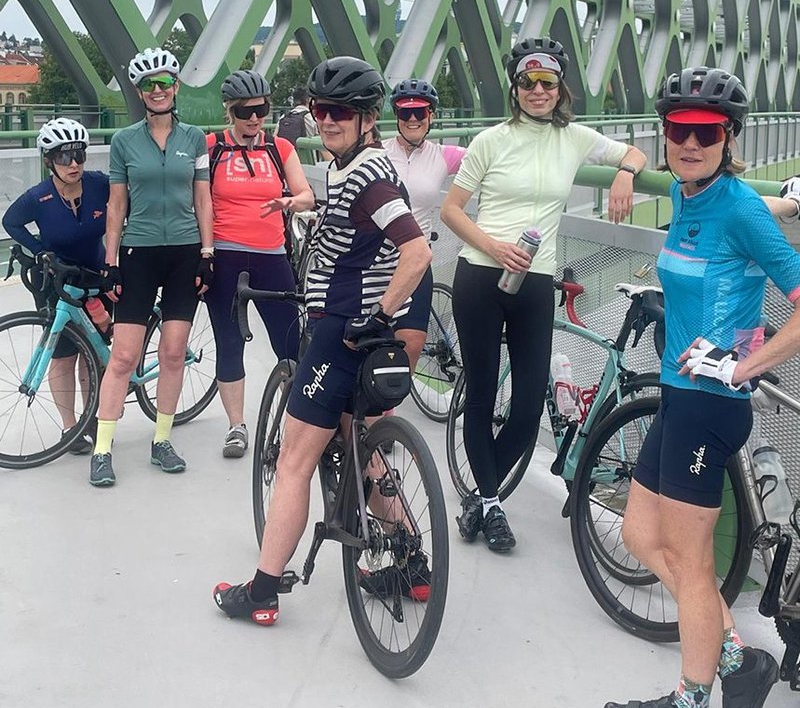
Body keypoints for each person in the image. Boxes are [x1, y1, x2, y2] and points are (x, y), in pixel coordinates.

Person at [603, 67, 800, 708]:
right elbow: (728, 232)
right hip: (677, 394)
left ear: (729, 137)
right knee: (636, 535)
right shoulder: (691, 197)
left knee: (690, 565)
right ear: (664, 137)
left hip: (712, 405)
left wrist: (748, 366)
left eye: (705, 132)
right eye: (678, 130)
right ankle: (742, 664)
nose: (689, 141)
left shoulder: (738, 205)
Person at [213, 56, 431, 626]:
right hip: (355, 332)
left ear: (366, 117)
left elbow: (417, 251)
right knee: (362, 442)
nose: (325, 119)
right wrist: (300, 203)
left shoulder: (368, 175)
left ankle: (262, 590)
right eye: (318, 109)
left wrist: (375, 315)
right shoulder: (354, 165)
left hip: (341, 334)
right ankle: (412, 560)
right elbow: (354, 218)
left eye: (339, 111)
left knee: (293, 460)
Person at [440, 37, 647, 552]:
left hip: (537, 279)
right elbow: (452, 210)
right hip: (481, 274)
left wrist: (625, 173)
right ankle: (490, 504)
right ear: (516, 87)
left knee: (530, 403)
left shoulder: (574, 138)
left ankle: (478, 496)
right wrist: (494, 245)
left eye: (547, 82)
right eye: (528, 82)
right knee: (484, 391)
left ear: (560, 89)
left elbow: (637, 150)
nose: (538, 91)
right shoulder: (490, 140)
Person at [88, 47, 213, 488]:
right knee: (123, 356)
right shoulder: (124, 141)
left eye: (164, 83)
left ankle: (161, 441)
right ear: (140, 93)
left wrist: (208, 252)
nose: (157, 91)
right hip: (138, 254)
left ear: (175, 88)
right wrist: (110, 262)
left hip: (183, 253)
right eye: (148, 85)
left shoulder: (195, 139)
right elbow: (116, 203)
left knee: (173, 353)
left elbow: (202, 198)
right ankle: (102, 450)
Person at [205, 69, 315, 458]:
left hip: (272, 255)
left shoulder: (280, 148)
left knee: (290, 342)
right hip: (226, 257)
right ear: (229, 111)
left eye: (262, 109)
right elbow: (194, 199)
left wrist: (289, 202)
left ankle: (296, 424)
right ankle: (236, 427)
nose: (254, 118)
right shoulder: (212, 146)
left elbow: (307, 195)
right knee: (228, 342)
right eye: (245, 111)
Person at [3, 117, 110, 452]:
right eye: (64, 157)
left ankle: (93, 416)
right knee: (63, 355)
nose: (74, 164)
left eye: (79, 154)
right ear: (49, 160)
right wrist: (41, 253)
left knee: (94, 351)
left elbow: (126, 207)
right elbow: (11, 222)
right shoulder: (38, 197)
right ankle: (70, 428)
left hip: (95, 276)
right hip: (57, 282)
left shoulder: (98, 184)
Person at [382, 79, 465, 377]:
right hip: (375, 257)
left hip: (415, 258)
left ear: (431, 116)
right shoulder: (377, 151)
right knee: (368, 336)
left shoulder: (444, 156)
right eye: (406, 114)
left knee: (413, 340)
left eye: (420, 112)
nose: (413, 119)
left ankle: (391, 408)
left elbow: (488, 161)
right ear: (397, 116)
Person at [275, 87, 318, 157]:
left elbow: (275, 136)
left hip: (286, 158)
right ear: (308, 100)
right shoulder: (310, 117)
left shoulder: (284, 117)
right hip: (308, 161)